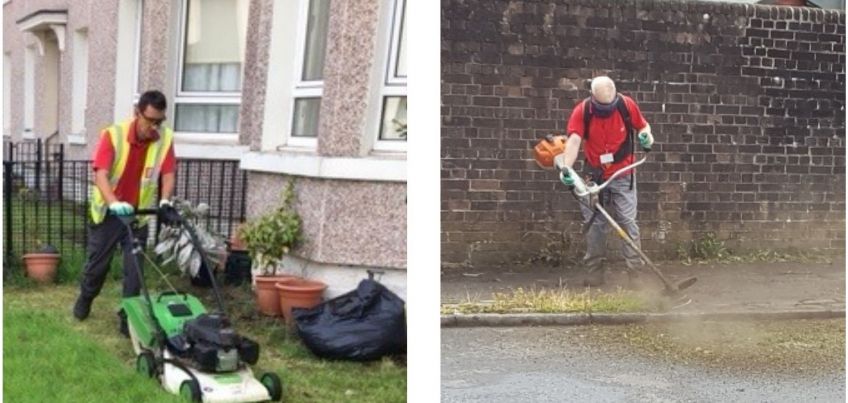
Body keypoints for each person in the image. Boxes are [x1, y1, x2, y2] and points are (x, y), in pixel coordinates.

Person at [72, 90, 181, 335]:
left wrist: (164, 201)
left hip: (137, 216)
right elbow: (100, 174)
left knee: (135, 272)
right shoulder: (114, 135)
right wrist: (113, 202)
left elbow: (168, 173)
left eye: (159, 122)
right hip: (109, 215)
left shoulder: (164, 139)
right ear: (137, 113)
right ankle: (86, 297)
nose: (154, 127)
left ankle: (127, 318)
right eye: (150, 120)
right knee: (97, 267)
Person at [558, 76, 654, 286]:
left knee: (628, 223)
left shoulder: (626, 106)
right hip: (594, 176)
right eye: (602, 106)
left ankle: (635, 274)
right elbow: (574, 141)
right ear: (593, 97)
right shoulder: (582, 111)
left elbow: (643, 126)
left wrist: (647, 137)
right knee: (595, 225)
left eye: (609, 106)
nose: (607, 110)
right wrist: (566, 168)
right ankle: (595, 273)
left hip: (623, 174)